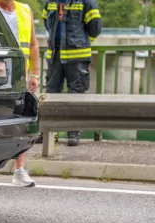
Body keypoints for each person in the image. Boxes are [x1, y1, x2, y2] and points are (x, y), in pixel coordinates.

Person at [42, 0, 102, 146]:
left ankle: (73, 132)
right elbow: (47, 23)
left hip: (77, 57)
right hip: (55, 56)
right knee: (51, 93)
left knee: (75, 94)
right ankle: (50, 132)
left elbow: (95, 28)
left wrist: (82, 42)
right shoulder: (50, 2)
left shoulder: (85, 2)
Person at [0, 0, 40, 187]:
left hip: (19, 74)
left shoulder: (24, 10)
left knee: (20, 119)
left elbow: (32, 44)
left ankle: (19, 170)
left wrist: (35, 74)